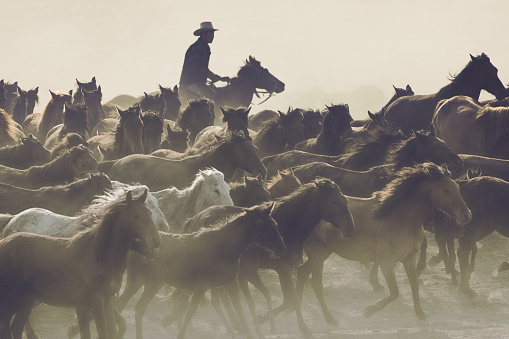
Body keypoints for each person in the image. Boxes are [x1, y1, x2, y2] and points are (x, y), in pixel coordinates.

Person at [179, 21, 230, 103]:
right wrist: (211, 76)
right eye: (210, 34)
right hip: (190, 83)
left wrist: (217, 77)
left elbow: (203, 68)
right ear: (203, 34)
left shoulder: (205, 48)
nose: (213, 36)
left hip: (198, 82)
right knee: (210, 94)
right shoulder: (197, 47)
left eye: (213, 34)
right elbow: (194, 67)